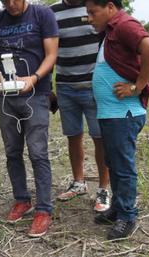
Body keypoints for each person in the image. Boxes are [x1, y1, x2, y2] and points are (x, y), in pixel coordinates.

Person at [85, 0, 149, 239]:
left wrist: (138, 86)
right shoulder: (111, 31)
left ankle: (127, 215)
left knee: (123, 166)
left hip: (124, 113)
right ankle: (118, 207)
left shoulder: (124, 25)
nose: (89, 18)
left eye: (92, 12)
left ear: (109, 7)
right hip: (111, 114)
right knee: (115, 163)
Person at [0, 0, 59, 237]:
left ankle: (44, 209)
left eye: (14, 0)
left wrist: (34, 77)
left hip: (35, 94)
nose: (11, 4)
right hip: (7, 96)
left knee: (37, 152)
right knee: (12, 151)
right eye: (5, 1)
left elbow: (51, 54)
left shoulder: (42, 15)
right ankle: (21, 199)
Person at [50, 0, 111, 213]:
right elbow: (48, 49)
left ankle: (103, 189)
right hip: (65, 86)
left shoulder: (94, 6)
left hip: (94, 86)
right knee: (73, 136)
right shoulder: (53, 12)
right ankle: (78, 182)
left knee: (100, 138)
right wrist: (49, 86)